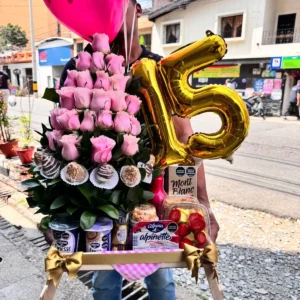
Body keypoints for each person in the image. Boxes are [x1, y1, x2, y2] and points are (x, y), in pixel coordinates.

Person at [60, 1, 219, 299]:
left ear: (138, 9)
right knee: (105, 279)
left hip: (155, 199)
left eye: (118, 3)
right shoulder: (79, 68)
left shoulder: (161, 68)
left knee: (161, 279)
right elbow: (64, 136)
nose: (109, 11)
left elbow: (185, 136)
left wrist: (204, 204)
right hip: (101, 198)